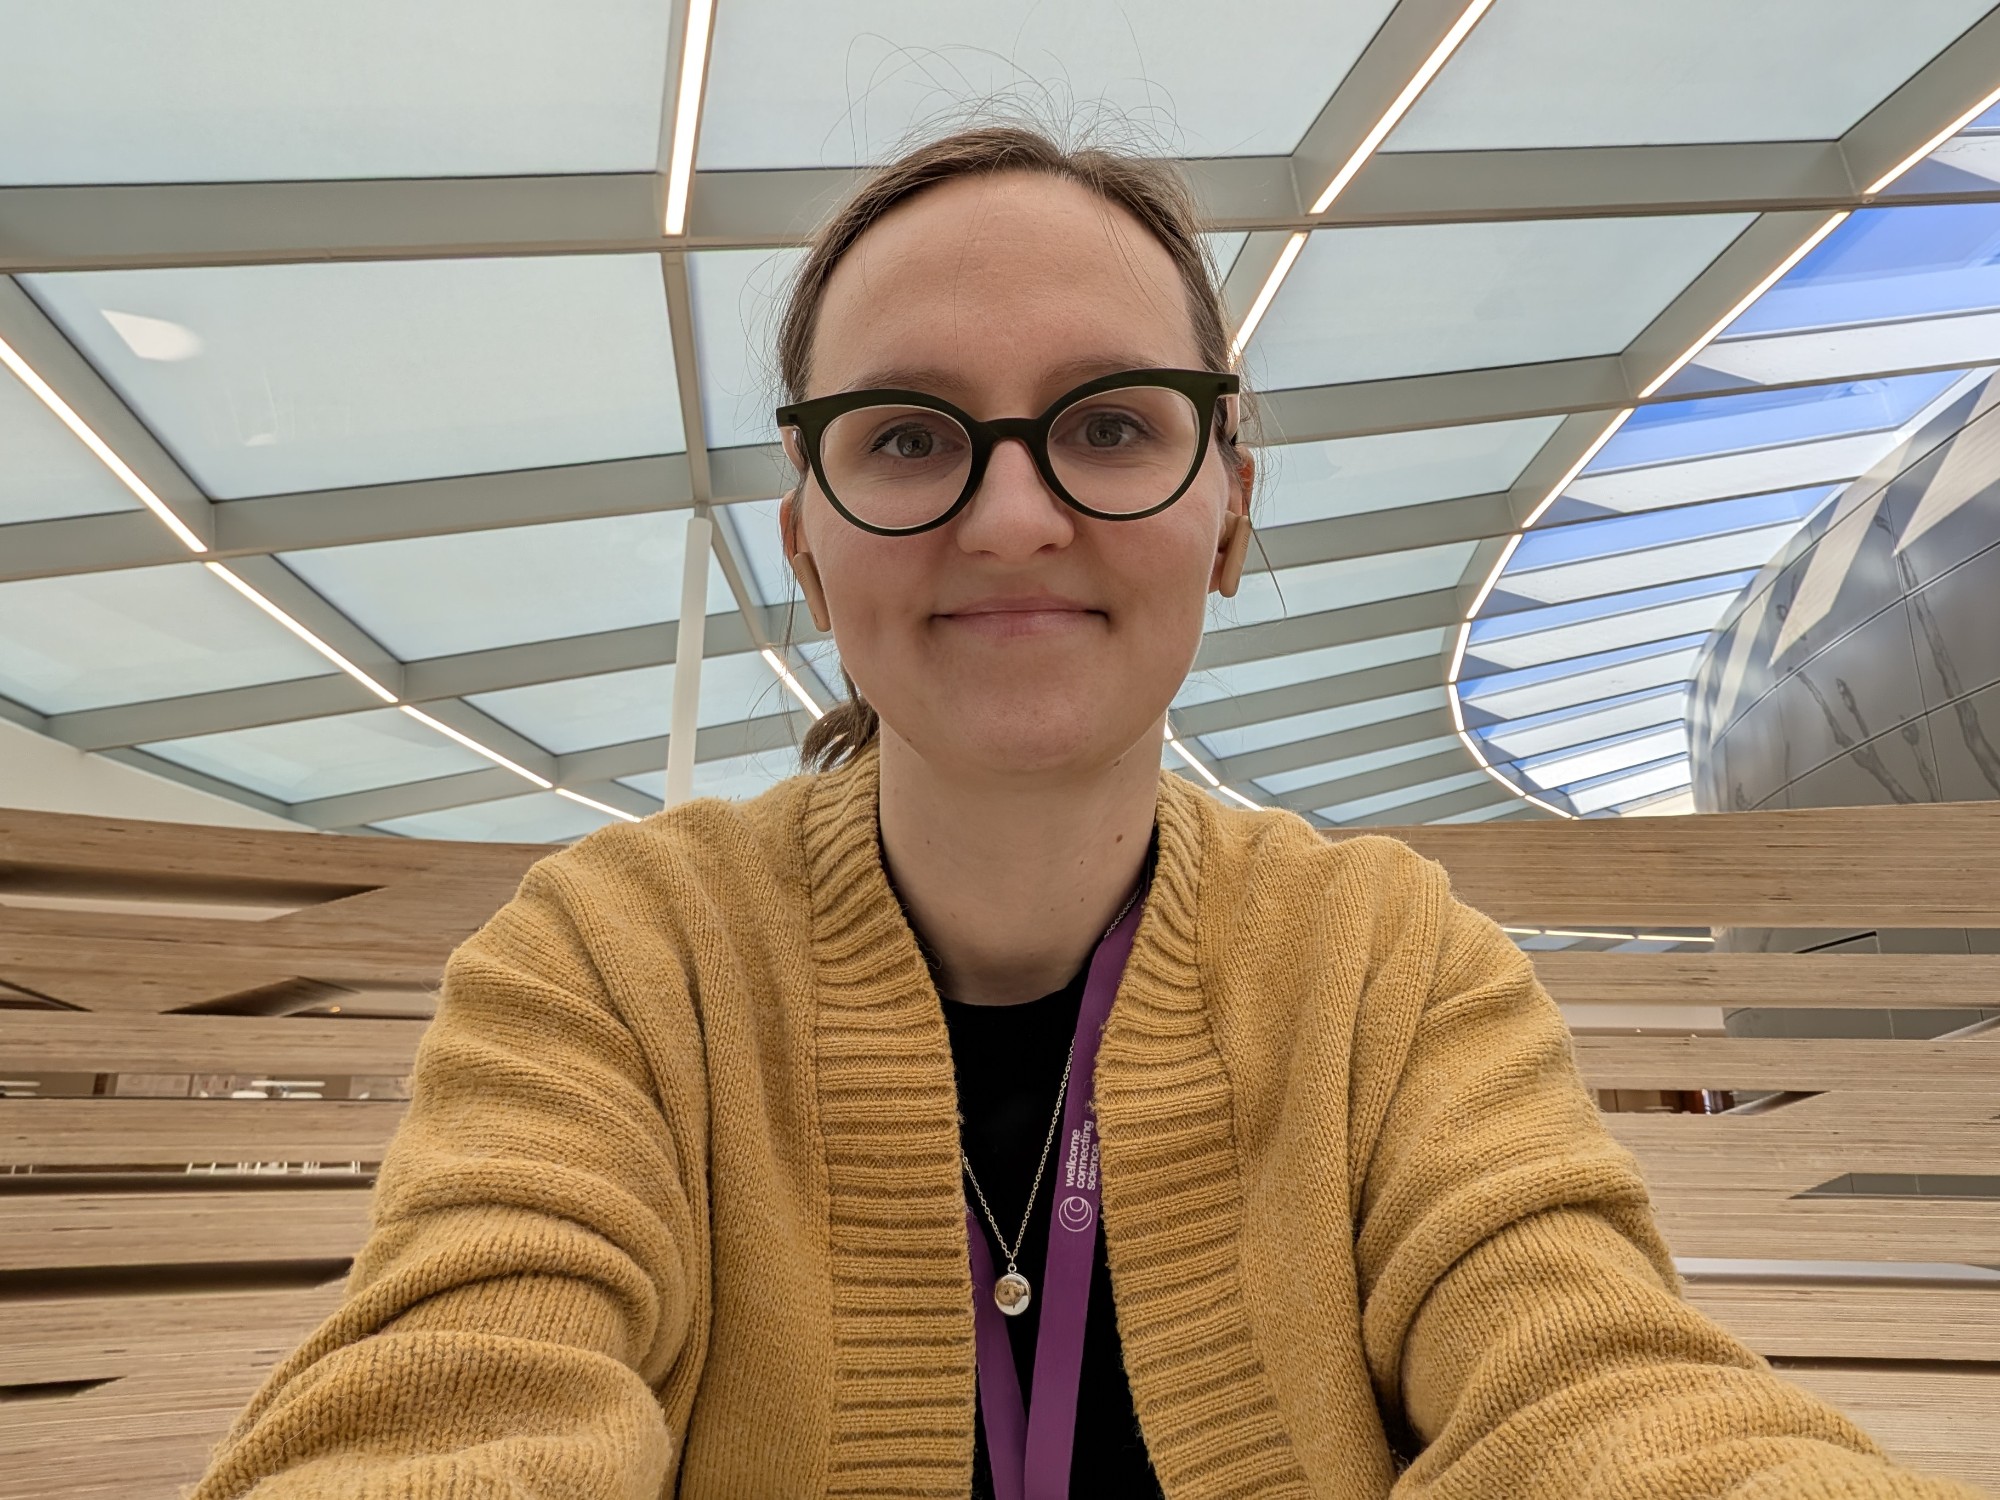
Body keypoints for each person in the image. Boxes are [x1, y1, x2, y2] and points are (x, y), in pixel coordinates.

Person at [187, 125, 1988, 1500]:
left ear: (1228, 506)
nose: (1012, 517)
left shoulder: (1389, 964)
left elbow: (1590, 1379)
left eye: (1111, 425)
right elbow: (464, 1385)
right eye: (908, 436)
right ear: (806, 541)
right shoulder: (615, 958)